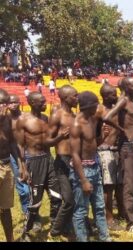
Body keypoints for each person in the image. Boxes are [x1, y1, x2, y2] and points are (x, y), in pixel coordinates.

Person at [17, 92, 65, 241]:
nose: (45, 104)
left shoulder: (45, 118)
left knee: (56, 196)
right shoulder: (23, 120)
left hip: (48, 160)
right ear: (32, 102)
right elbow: (19, 145)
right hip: (33, 161)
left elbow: (49, 140)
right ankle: (27, 230)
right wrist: (22, 167)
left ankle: (55, 226)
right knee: (35, 201)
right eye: (42, 102)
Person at [104, 77, 133, 235]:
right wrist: (121, 129)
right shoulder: (122, 101)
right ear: (125, 87)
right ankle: (131, 223)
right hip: (128, 148)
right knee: (129, 185)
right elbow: (107, 117)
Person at [69, 91, 111, 242]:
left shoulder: (92, 119)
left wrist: (103, 137)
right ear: (88, 106)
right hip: (83, 171)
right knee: (81, 210)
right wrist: (83, 180)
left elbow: (93, 145)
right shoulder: (76, 125)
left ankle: (105, 237)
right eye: (96, 105)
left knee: (99, 206)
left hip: (94, 165)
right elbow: (74, 154)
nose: (98, 108)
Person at [46, 85, 78, 238]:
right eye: (75, 96)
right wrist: (59, 137)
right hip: (62, 162)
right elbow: (46, 140)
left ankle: (68, 228)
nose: (77, 99)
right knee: (68, 200)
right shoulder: (57, 115)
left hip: (75, 161)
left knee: (75, 198)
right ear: (66, 98)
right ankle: (54, 232)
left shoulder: (74, 114)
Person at [0, 89, 27, 242]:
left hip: (6, 165)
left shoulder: (7, 120)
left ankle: (10, 239)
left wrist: (21, 164)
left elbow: (11, 142)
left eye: (6, 103)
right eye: (1, 103)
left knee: (5, 208)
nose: (5, 107)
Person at [95, 84, 123, 231]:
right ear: (105, 96)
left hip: (117, 149)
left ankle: (121, 212)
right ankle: (109, 219)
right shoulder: (99, 109)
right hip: (105, 150)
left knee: (118, 184)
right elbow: (92, 130)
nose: (116, 95)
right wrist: (101, 139)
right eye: (113, 93)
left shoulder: (116, 107)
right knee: (108, 187)